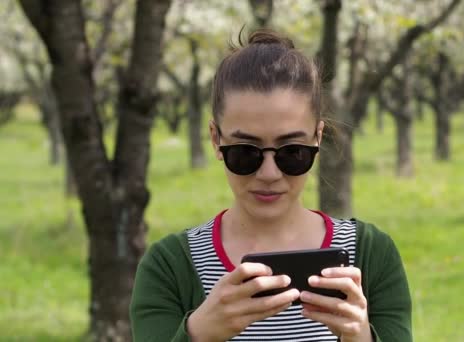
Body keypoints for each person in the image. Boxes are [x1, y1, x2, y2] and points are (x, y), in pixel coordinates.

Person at [130, 29, 412, 342]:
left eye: (292, 152)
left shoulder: (371, 255)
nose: (268, 173)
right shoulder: (169, 267)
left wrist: (360, 337)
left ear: (317, 138)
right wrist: (199, 333)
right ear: (215, 139)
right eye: (245, 152)